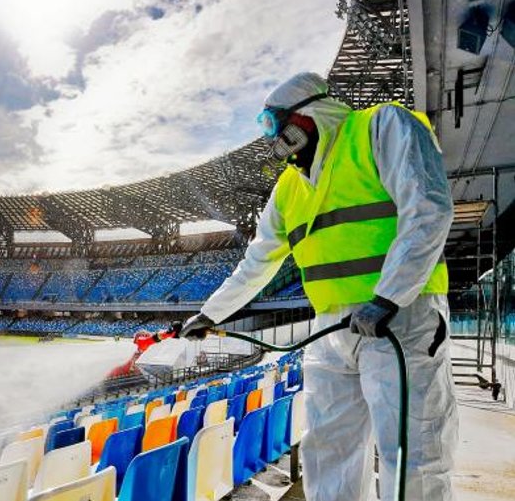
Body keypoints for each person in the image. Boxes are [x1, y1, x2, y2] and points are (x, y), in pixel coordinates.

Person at [177, 72, 457, 501]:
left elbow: (428, 207)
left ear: (307, 116)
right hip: (331, 331)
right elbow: (259, 259)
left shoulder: (380, 127)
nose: (274, 140)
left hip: (402, 319)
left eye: (275, 126)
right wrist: (212, 313)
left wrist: (388, 297)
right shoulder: (288, 188)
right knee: (328, 450)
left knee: (411, 450)